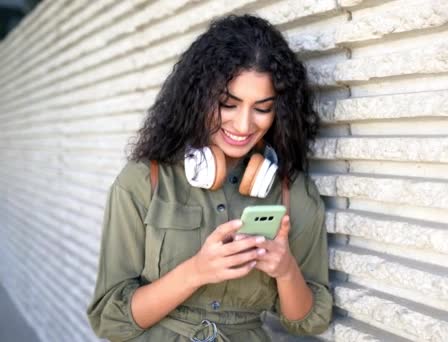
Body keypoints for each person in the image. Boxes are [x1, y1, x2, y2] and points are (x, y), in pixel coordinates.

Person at [86, 14, 332, 341]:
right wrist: (196, 271)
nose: (244, 126)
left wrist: (285, 270)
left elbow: (309, 322)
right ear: (197, 96)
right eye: (227, 104)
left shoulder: (292, 191)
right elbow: (109, 320)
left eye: (262, 108)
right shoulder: (143, 181)